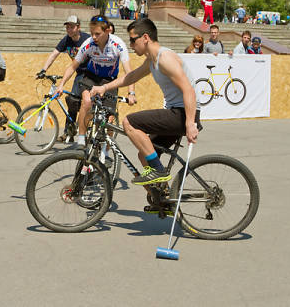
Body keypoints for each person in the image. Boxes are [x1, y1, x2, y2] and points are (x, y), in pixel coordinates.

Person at [90, 18, 200, 185]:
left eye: (133, 40)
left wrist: (190, 123)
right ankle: (162, 200)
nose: (131, 45)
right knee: (144, 154)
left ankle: (159, 170)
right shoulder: (152, 59)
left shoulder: (165, 58)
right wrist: (104, 88)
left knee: (129, 122)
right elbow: (131, 76)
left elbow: (188, 90)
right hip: (178, 113)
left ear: (145, 38)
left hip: (183, 114)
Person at [54, 15, 135, 149]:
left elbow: (129, 72)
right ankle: (81, 139)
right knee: (86, 101)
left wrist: (131, 92)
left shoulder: (118, 44)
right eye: (92, 34)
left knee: (109, 118)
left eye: (97, 34)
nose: (94, 37)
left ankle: (105, 152)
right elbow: (73, 66)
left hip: (109, 81)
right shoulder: (89, 44)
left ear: (108, 31)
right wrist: (61, 84)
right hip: (90, 77)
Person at [36, 15, 91, 142]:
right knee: (72, 101)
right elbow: (54, 55)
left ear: (78, 27)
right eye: (67, 27)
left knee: (86, 103)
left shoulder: (86, 39)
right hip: (80, 74)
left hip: (92, 74)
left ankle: (87, 131)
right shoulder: (66, 40)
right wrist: (44, 70)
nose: (69, 29)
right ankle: (68, 133)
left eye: (72, 27)